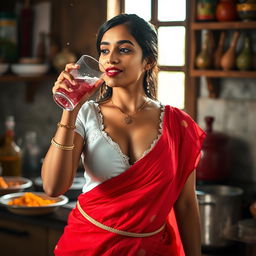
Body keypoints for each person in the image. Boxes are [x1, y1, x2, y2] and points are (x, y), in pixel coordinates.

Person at [42, 13, 206, 256]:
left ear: (148, 61)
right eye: (104, 51)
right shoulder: (86, 114)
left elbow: (186, 204)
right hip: (88, 246)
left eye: (125, 50)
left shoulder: (178, 125)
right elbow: (53, 187)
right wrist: (70, 108)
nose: (111, 59)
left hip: (153, 249)